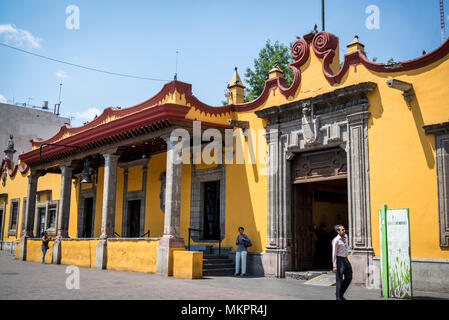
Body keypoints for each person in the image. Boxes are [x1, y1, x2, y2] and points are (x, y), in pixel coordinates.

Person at [332, 225, 352, 300]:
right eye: (342, 230)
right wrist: (334, 265)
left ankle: (340, 293)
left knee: (349, 277)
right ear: (338, 231)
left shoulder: (346, 237)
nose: (344, 231)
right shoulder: (336, 240)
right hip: (339, 260)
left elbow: (347, 246)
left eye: (344, 229)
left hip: (346, 259)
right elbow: (334, 253)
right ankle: (338, 297)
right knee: (339, 279)